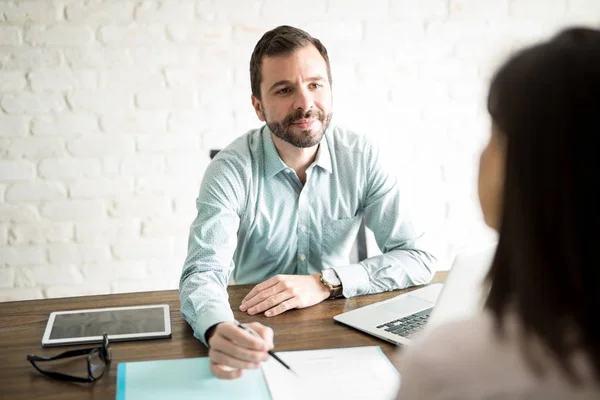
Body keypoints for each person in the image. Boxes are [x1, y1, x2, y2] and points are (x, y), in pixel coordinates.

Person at [179, 25, 438, 379]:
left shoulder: (361, 156)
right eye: (284, 90)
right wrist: (216, 327)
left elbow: (419, 257)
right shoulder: (229, 169)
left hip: (341, 325)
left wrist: (326, 281)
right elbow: (203, 273)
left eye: (315, 84)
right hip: (257, 328)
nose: (305, 103)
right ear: (258, 106)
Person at [396, 27, 600, 399]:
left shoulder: (447, 367)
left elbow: (417, 254)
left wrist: (330, 280)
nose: (481, 153)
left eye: (495, 133)